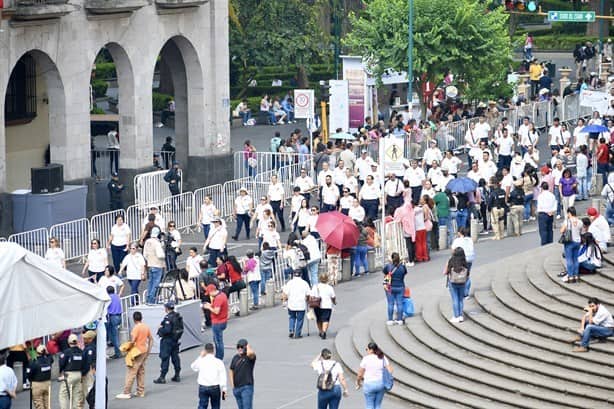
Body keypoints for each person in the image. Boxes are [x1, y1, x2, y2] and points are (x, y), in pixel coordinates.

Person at [116, 311, 153, 399]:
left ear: (134, 319)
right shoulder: (146, 327)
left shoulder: (136, 328)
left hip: (137, 351)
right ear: (141, 318)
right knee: (141, 371)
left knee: (132, 371)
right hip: (144, 350)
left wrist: (127, 348)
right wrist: (148, 351)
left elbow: (133, 341)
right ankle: (141, 391)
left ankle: (127, 392)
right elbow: (151, 339)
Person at [355, 342, 393, 409]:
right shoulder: (382, 357)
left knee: (369, 405)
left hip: (369, 384)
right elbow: (390, 370)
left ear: (371, 350)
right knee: (378, 405)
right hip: (380, 384)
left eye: (367, 349)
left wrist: (358, 383)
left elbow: (360, 374)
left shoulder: (366, 359)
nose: (366, 350)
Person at [190, 343, 227, 409]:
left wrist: (200, 356)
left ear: (205, 351)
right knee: (215, 406)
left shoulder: (201, 361)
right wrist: (224, 391)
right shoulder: (218, 362)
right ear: (213, 351)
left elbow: (193, 367)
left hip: (203, 386)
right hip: (215, 387)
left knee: (202, 405)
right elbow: (223, 376)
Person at [154, 301, 182, 384]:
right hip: (175, 339)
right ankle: (177, 374)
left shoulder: (168, 318)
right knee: (175, 357)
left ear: (166, 308)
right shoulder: (177, 316)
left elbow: (167, 330)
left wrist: (160, 329)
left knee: (165, 358)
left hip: (167, 340)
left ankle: (162, 377)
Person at [202, 284, 229, 360]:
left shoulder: (218, 298)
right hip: (223, 320)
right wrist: (211, 305)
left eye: (209, 293)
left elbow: (216, 311)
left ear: (212, 291)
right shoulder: (222, 294)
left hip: (218, 322)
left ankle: (219, 358)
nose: (209, 295)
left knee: (218, 341)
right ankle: (219, 357)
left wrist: (209, 307)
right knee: (218, 340)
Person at [283, 270, 311, 338]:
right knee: (300, 319)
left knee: (292, 317)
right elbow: (308, 294)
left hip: (291, 303)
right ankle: (297, 333)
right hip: (301, 304)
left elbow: (285, 294)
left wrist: (284, 301)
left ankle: (291, 330)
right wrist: (307, 300)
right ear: (301, 275)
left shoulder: (289, 283)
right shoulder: (305, 283)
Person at [229, 339, 256, 409]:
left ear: (245, 347)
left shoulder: (249, 358)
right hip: (237, 389)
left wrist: (248, 347)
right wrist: (233, 386)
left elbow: (251, 353)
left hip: (246, 388)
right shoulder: (235, 358)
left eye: (242, 347)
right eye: (238, 347)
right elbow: (231, 370)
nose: (240, 349)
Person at [58, 334, 83, 409]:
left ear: (68, 342)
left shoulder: (66, 352)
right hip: (79, 374)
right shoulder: (81, 351)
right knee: (76, 395)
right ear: (77, 342)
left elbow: (62, 363)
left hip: (69, 375)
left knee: (63, 394)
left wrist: (60, 372)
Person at [382, 252, 408, 325]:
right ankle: (400, 320)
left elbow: (384, 273)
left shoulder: (388, 266)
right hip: (400, 287)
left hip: (390, 287)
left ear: (392, 258)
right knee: (400, 304)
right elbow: (404, 274)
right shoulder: (402, 267)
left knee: (390, 304)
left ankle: (390, 320)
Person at [445, 247, 469, 323]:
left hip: (453, 282)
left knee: (455, 299)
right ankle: (461, 316)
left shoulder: (451, 260)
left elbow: (446, 272)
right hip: (462, 282)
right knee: (460, 299)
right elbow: (468, 273)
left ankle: (456, 316)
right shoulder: (464, 262)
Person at [560, 206, 582, 284]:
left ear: (569, 213)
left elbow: (562, 230)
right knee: (576, 259)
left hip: (569, 241)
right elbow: (580, 231)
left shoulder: (567, 221)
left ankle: (570, 275)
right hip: (578, 241)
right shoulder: (580, 221)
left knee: (569, 259)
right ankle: (576, 275)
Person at [451, 227, 475, 297]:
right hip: (470, 258)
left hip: (461, 258)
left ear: (459, 233)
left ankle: (463, 291)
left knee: (462, 274)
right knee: (467, 274)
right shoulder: (470, 239)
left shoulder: (457, 240)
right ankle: (466, 292)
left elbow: (452, 250)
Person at [143, 227, 165, 304]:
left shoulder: (147, 242)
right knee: (156, 283)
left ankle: (148, 298)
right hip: (158, 265)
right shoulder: (157, 243)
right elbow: (160, 255)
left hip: (150, 264)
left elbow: (145, 255)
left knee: (150, 283)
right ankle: (152, 300)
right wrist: (164, 255)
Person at [27, 345, 53, 409]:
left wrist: (30, 380)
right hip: (47, 384)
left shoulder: (34, 363)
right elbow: (51, 358)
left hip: (37, 384)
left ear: (36, 352)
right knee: (47, 404)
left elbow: (29, 374)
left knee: (39, 405)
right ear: (45, 352)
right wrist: (47, 352)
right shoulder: (48, 360)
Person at [312, 274, 336, 340]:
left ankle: (320, 331)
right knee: (326, 319)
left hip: (317, 305)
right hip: (327, 305)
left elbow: (312, 296)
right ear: (327, 279)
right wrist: (334, 302)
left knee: (319, 319)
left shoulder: (315, 286)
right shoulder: (330, 287)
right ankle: (324, 331)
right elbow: (333, 297)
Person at [537, 181, 557, 245]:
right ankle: (550, 242)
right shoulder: (552, 195)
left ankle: (544, 243)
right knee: (550, 230)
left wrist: (546, 211)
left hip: (543, 214)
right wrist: (551, 211)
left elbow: (540, 205)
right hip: (550, 213)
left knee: (543, 230)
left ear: (542, 188)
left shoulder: (540, 196)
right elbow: (555, 204)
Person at [105, 286, 122, 359]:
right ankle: (118, 351)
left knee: (113, 336)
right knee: (115, 335)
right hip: (119, 316)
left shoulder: (108, 298)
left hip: (113, 317)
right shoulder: (117, 296)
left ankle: (118, 352)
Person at [81, 330, 97, 405]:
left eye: (86, 338)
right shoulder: (91, 347)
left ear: (90, 339)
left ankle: (93, 406)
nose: (84, 340)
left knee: (89, 391)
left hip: (89, 372)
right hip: (91, 371)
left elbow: (88, 362)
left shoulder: (90, 349)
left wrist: (83, 373)